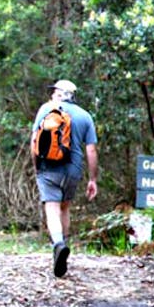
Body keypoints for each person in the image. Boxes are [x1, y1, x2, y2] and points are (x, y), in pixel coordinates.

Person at [30, 79, 98, 278]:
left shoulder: (46, 109)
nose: (52, 95)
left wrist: (36, 168)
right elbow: (91, 150)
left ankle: (58, 244)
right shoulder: (85, 116)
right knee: (64, 206)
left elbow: (34, 141)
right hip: (72, 170)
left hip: (48, 167)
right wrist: (93, 178)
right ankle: (63, 246)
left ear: (60, 94)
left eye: (55, 91)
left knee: (52, 207)